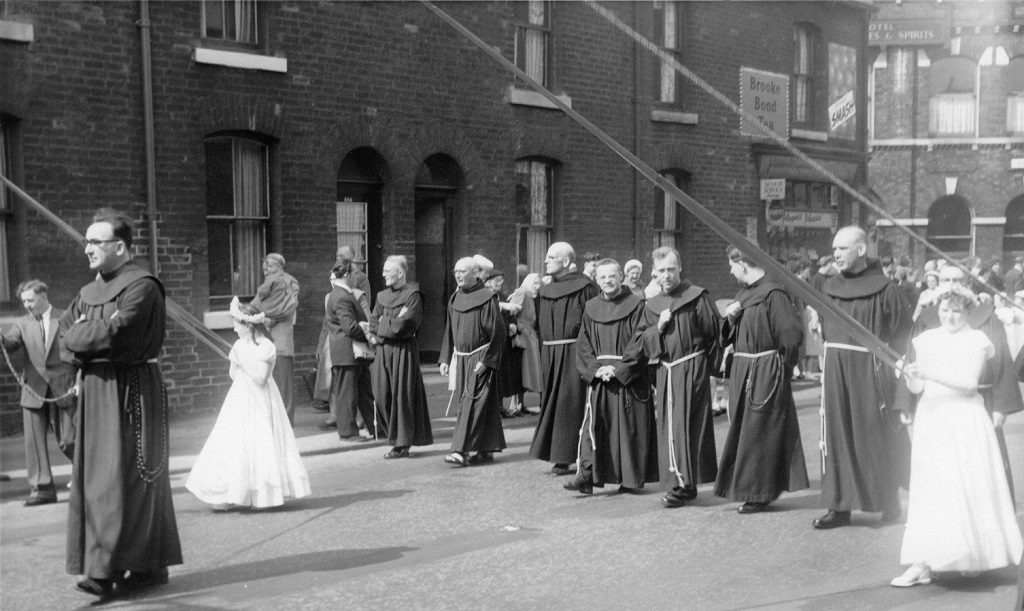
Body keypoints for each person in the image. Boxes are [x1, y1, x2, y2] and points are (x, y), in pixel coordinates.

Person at [60, 208, 181, 597]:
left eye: (95, 242)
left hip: (131, 390)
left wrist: (84, 337)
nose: (88, 249)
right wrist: (84, 338)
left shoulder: (141, 285)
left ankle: (113, 569)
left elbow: (119, 334)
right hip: (95, 390)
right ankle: (137, 565)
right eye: (87, 241)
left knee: (130, 478)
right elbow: (64, 335)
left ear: (121, 247)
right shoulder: (88, 291)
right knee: (98, 478)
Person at [891, 287, 1023, 587]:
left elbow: (967, 384)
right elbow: (917, 388)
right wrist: (913, 376)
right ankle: (922, 561)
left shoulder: (977, 341)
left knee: (965, 485)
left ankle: (972, 557)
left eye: (957, 311)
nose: (950, 316)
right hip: (932, 417)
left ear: (968, 313)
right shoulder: (926, 339)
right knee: (930, 489)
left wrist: (929, 372)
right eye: (945, 310)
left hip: (964, 418)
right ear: (937, 311)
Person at [813, 225, 912, 529]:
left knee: (873, 435)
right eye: (834, 249)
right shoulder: (827, 285)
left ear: (861, 249)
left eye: (842, 248)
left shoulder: (887, 290)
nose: (835, 254)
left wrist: (894, 378)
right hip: (835, 369)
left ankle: (887, 501)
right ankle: (839, 506)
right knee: (837, 434)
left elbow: (901, 335)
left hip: (871, 371)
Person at [903, 264, 1022, 501]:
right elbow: (913, 361)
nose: (951, 286)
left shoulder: (987, 317)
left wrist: (1001, 405)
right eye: (945, 280)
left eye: (957, 280)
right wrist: (907, 402)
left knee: (981, 466)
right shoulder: (927, 319)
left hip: (981, 400)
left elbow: (1001, 362)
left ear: (968, 284)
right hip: (936, 405)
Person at [186, 298, 310, 509]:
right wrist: (239, 362)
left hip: (261, 401)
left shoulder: (266, 346)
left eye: (237, 323)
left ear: (248, 325)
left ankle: (263, 496)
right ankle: (230, 494)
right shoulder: (238, 345)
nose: (234, 328)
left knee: (259, 441)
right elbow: (233, 375)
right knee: (235, 441)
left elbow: (261, 378)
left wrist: (244, 362)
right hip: (240, 398)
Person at [714, 247, 809, 513]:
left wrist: (781, 368)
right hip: (744, 368)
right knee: (745, 431)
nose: (730, 271)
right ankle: (748, 488)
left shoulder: (774, 292)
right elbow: (730, 336)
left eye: (732, 266)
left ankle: (759, 492)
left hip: (765, 369)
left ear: (742, 264)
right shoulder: (744, 293)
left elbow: (790, 336)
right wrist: (730, 320)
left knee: (760, 432)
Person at [564, 259, 657, 495]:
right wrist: (596, 369)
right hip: (600, 377)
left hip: (627, 377)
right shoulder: (591, 306)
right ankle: (586, 476)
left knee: (627, 431)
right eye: (603, 277)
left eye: (612, 276)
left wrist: (620, 369)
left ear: (620, 277)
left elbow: (641, 339)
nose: (608, 281)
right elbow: (583, 342)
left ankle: (629, 478)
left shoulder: (637, 305)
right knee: (593, 426)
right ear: (597, 279)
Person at [639, 246, 722, 508]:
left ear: (680, 269)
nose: (667, 275)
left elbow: (712, 334)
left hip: (691, 369)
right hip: (666, 371)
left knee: (688, 426)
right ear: (654, 272)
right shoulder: (651, 305)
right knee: (670, 428)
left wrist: (702, 369)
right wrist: (658, 327)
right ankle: (679, 483)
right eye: (661, 271)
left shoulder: (696, 297)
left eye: (671, 270)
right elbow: (642, 340)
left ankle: (686, 483)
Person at [0, 279, 76, 506]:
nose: (27, 305)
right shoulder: (21, 323)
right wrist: (2, 339)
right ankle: (42, 489)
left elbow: (81, 350)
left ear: (44, 296)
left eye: (31, 300)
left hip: (64, 387)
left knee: (70, 440)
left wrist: (80, 380)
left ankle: (90, 478)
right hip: (34, 389)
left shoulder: (65, 318)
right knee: (34, 443)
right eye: (24, 301)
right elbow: (11, 343)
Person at [529, 242, 599, 475]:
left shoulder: (585, 287)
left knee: (572, 404)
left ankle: (578, 453)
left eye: (551, 257)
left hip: (574, 354)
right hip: (550, 353)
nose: (546, 261)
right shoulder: (546, 290)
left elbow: (592, 323)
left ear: (566, 261)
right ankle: (559, 453)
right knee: (553, 403)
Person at [439, 257, 507, 466]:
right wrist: (445, 357)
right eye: (456, 271)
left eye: (462, 271)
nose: (458, 275)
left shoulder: (487, 298)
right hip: (461, 359)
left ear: (475, 273)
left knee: (470, 404)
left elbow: (499, 331)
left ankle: (460, 450)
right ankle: (487, 448)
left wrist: (487, 360)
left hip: (480, 358)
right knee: (477, 404)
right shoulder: (454, 298)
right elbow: (449, 330)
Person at [367, 255, 433, 458]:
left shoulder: (413, 295)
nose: (383, 274)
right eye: (384, 270)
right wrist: (390, 322)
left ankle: (401, 443)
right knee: (381, 394)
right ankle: (394, 436)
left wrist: (384, 324)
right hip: (383, 351)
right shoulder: (381, 296)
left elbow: (405, 326)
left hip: (403, 351)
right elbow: (372, 324)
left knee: (401, 396)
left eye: (388, 271)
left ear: (401, 273)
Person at [326, 259, 377, 442]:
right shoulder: (341, 296)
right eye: (356, 273)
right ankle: (348, 432)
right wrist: (369, 335)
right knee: (348, 394)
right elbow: (349, 327)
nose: (359, 276)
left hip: (351, 354)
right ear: (347, 275)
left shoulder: (340, 294)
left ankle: (377, 428)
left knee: (364, 392)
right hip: (348, 353)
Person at [249, 253, 299, 424]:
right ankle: (273, 419)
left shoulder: (290, 282)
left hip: (281, 339)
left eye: (269, 266)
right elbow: (254, 306)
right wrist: (261, 316)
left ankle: (286, 420)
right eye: (264, 268)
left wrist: (268, 317)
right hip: (265, 340)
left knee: (284, 381)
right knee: (269, 380)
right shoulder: (266, 285)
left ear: (280, 265)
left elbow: (289, 307)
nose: (266, 271)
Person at [508, 273, 543, 416]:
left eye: (539, 284)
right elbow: (511, 311)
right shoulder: (522, 293)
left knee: (527, 371)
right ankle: (516, 404)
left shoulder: (531, 297)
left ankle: (520, 404)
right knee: (523, 370)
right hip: (523, 336)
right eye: (535, 283)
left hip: (529, 335)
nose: (537, 287)